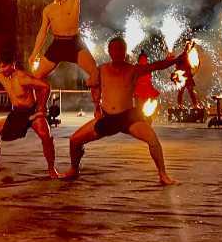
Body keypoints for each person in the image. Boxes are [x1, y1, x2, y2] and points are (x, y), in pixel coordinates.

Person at [61, 37, 183, 185]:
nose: (118, 52)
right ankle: (74, 168)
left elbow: (156, 65)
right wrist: (96, 108)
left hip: (127, 117)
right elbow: (95, 88)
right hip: (107, 117)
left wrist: (176, 60)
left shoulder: (133, 69)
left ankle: (163, 175)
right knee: (74, 140)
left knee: (153, 140)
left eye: (121, 49)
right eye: (114, 49)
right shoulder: (102, 69)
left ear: (125, 51)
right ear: (109, 51)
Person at [29, 0, 98, 99]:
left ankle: (98, 108)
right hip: (57, 44)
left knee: (95, 73)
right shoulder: (48, 10)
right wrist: (34, 53)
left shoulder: (74, 0)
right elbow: (42, 32)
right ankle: (40, 107)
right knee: (35, 77)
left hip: (75, 43)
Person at [174, 40, 200, 111]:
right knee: (181, 92)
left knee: (191, 92)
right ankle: (180, 105)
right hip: (182, 77)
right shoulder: (182, 56)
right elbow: (177, 66)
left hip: (188, 77)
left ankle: (195, 105)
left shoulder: (189, 56)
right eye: (188, 47)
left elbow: (194, 65)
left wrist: (192, 72)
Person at [134, 52, 161, 118]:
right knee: (139, 108)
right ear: (139, 60)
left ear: (146, 60)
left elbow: (158, 66)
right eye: (142, 59)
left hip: (147, 89)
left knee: (147, 107)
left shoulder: (148, 67)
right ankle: (140, 119)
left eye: (144, 59)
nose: (143, 61)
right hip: (139, 89)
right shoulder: (136, 67)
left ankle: (147, 119)